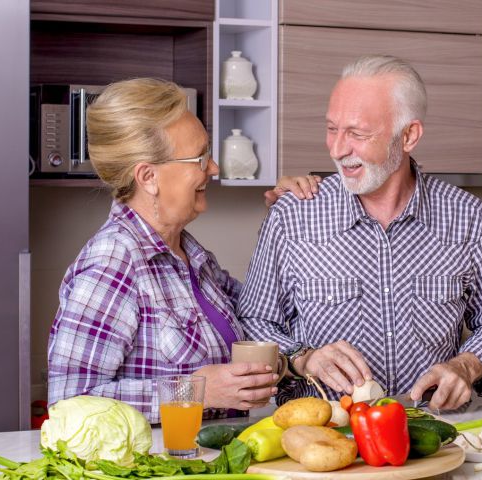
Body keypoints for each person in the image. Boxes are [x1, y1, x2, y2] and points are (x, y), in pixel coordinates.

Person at [238, 55, 482, 410]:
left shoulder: (467, 217)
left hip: (432, 431)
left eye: (358, 134)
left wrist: (464, 367)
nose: (338, 149)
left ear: (409, 136)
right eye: (332, 129)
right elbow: (254, 320)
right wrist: (303, 356)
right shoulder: (292, 216)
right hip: (321, 437)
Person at [47, 78, 320, 423]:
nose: (214, 168)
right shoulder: (113, 263)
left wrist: (290, 219)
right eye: (199, 158)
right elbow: (68, 404)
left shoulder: (192, 257)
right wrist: (194, 391)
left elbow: (261, 315)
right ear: (148, 177)